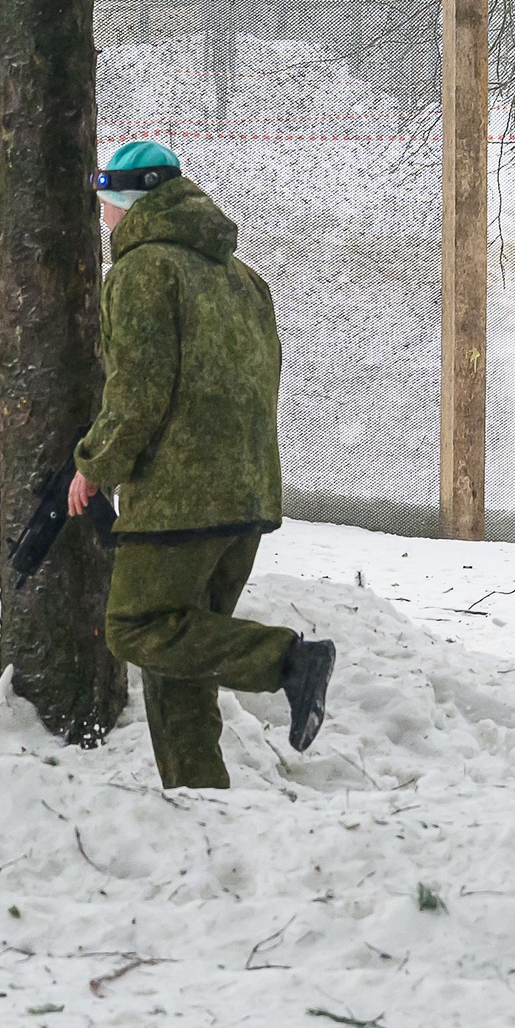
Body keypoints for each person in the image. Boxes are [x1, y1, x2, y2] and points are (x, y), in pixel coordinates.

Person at [67, 140, 336, 788]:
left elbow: (138, 392)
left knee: (134, 626)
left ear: (128, 205)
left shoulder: (140, 272)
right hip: (247, 498)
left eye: (107, 205)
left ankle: (289, 662)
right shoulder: (244, 279)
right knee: (177, 654)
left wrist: (94, 464)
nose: (104, 220)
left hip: (178, 503)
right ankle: (201, 804)